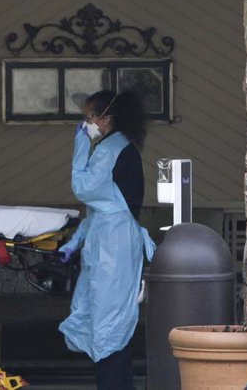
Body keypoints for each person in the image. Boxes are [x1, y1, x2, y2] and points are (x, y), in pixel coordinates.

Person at [58, 90, 156, 390]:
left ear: (105, 117)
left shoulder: (111, 148)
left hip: (114, 246)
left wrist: (80, 145)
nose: (86, 124)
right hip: (112, 242)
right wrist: (74, 242)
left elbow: (84, 187)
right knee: (108, 323)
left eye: (88, 117)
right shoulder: (119, 146)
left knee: (109, 325)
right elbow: (98, 210)